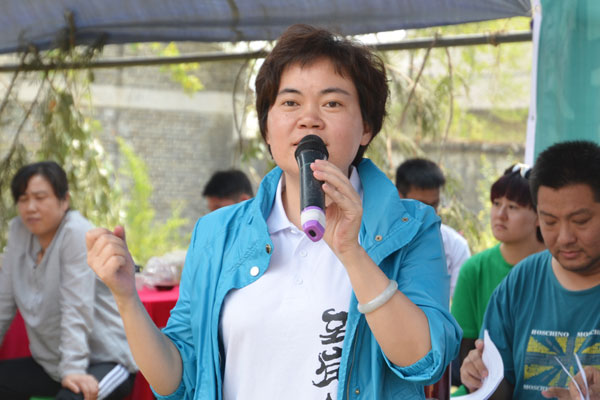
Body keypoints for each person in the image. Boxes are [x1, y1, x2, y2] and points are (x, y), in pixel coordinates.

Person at [86, 24, 461, 400]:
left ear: (366, 127)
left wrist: (351, 252)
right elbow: (178, 380)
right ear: (266, 129)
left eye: (332, 103)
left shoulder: (411, 227)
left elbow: (425, 361)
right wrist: (126, 298)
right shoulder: (217, 233)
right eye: (290, 103)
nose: (309, 118)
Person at [460, 140, 600, 399]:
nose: (565, 237)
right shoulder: (521, 281)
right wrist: (479, 377)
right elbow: (500, 387)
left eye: (580, 221)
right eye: (550, 222)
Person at [0, 161, 137, 400]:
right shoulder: (19, 231)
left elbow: (76, 307)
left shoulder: (76, 232)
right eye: (23, 199)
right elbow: (3, 303)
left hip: (106, 360)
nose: (30, 207)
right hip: (51, 363)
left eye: (40, 197)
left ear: (64, 200)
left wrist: (73, 369)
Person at [450, 163, 545, 391]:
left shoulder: (560, 267)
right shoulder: (474, 269)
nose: (500, 214)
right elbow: (462, 352)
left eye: (513, 207)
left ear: (540, 215)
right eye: (496, 204)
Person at [395, 158, 471, 298]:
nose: (430, 214)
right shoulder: (378, 242)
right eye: (421, 205)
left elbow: (457, 302)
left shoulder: (455, 246)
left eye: (434, 205)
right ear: (399, 196)